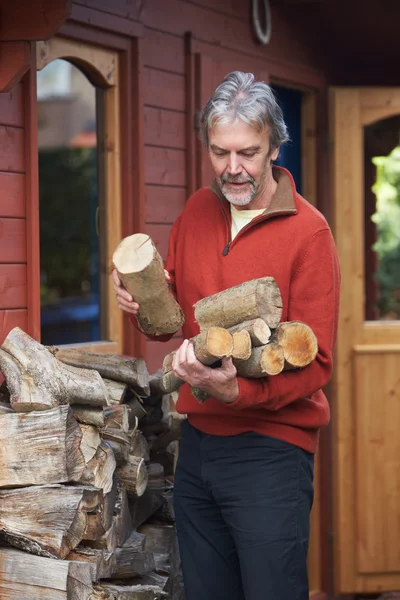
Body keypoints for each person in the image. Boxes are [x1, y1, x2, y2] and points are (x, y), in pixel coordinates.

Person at [113, 71, 340, 600]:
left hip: (272, 454)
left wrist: (242, 391)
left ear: (274, 147)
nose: (232, 168)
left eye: (247, 152)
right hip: (199, 449)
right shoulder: (196, 210)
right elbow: (170, 317)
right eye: (219, 152)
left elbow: (319, 362)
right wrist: (138, 302)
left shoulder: (310, 233)